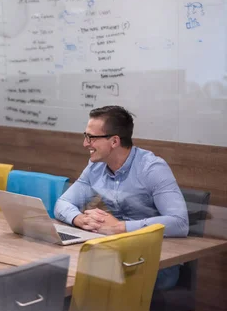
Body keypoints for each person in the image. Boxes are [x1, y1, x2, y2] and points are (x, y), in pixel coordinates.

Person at [54, 105, 188, 290]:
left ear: (114, 141)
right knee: (60, 272)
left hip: (156, 262)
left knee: (80, 281)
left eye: (91, 138)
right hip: (115, 252)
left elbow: (180, 223)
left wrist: (120, 227)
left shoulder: (152, 168)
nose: (85, 144)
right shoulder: (96, 167)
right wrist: (79, 219)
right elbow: (63, 203)